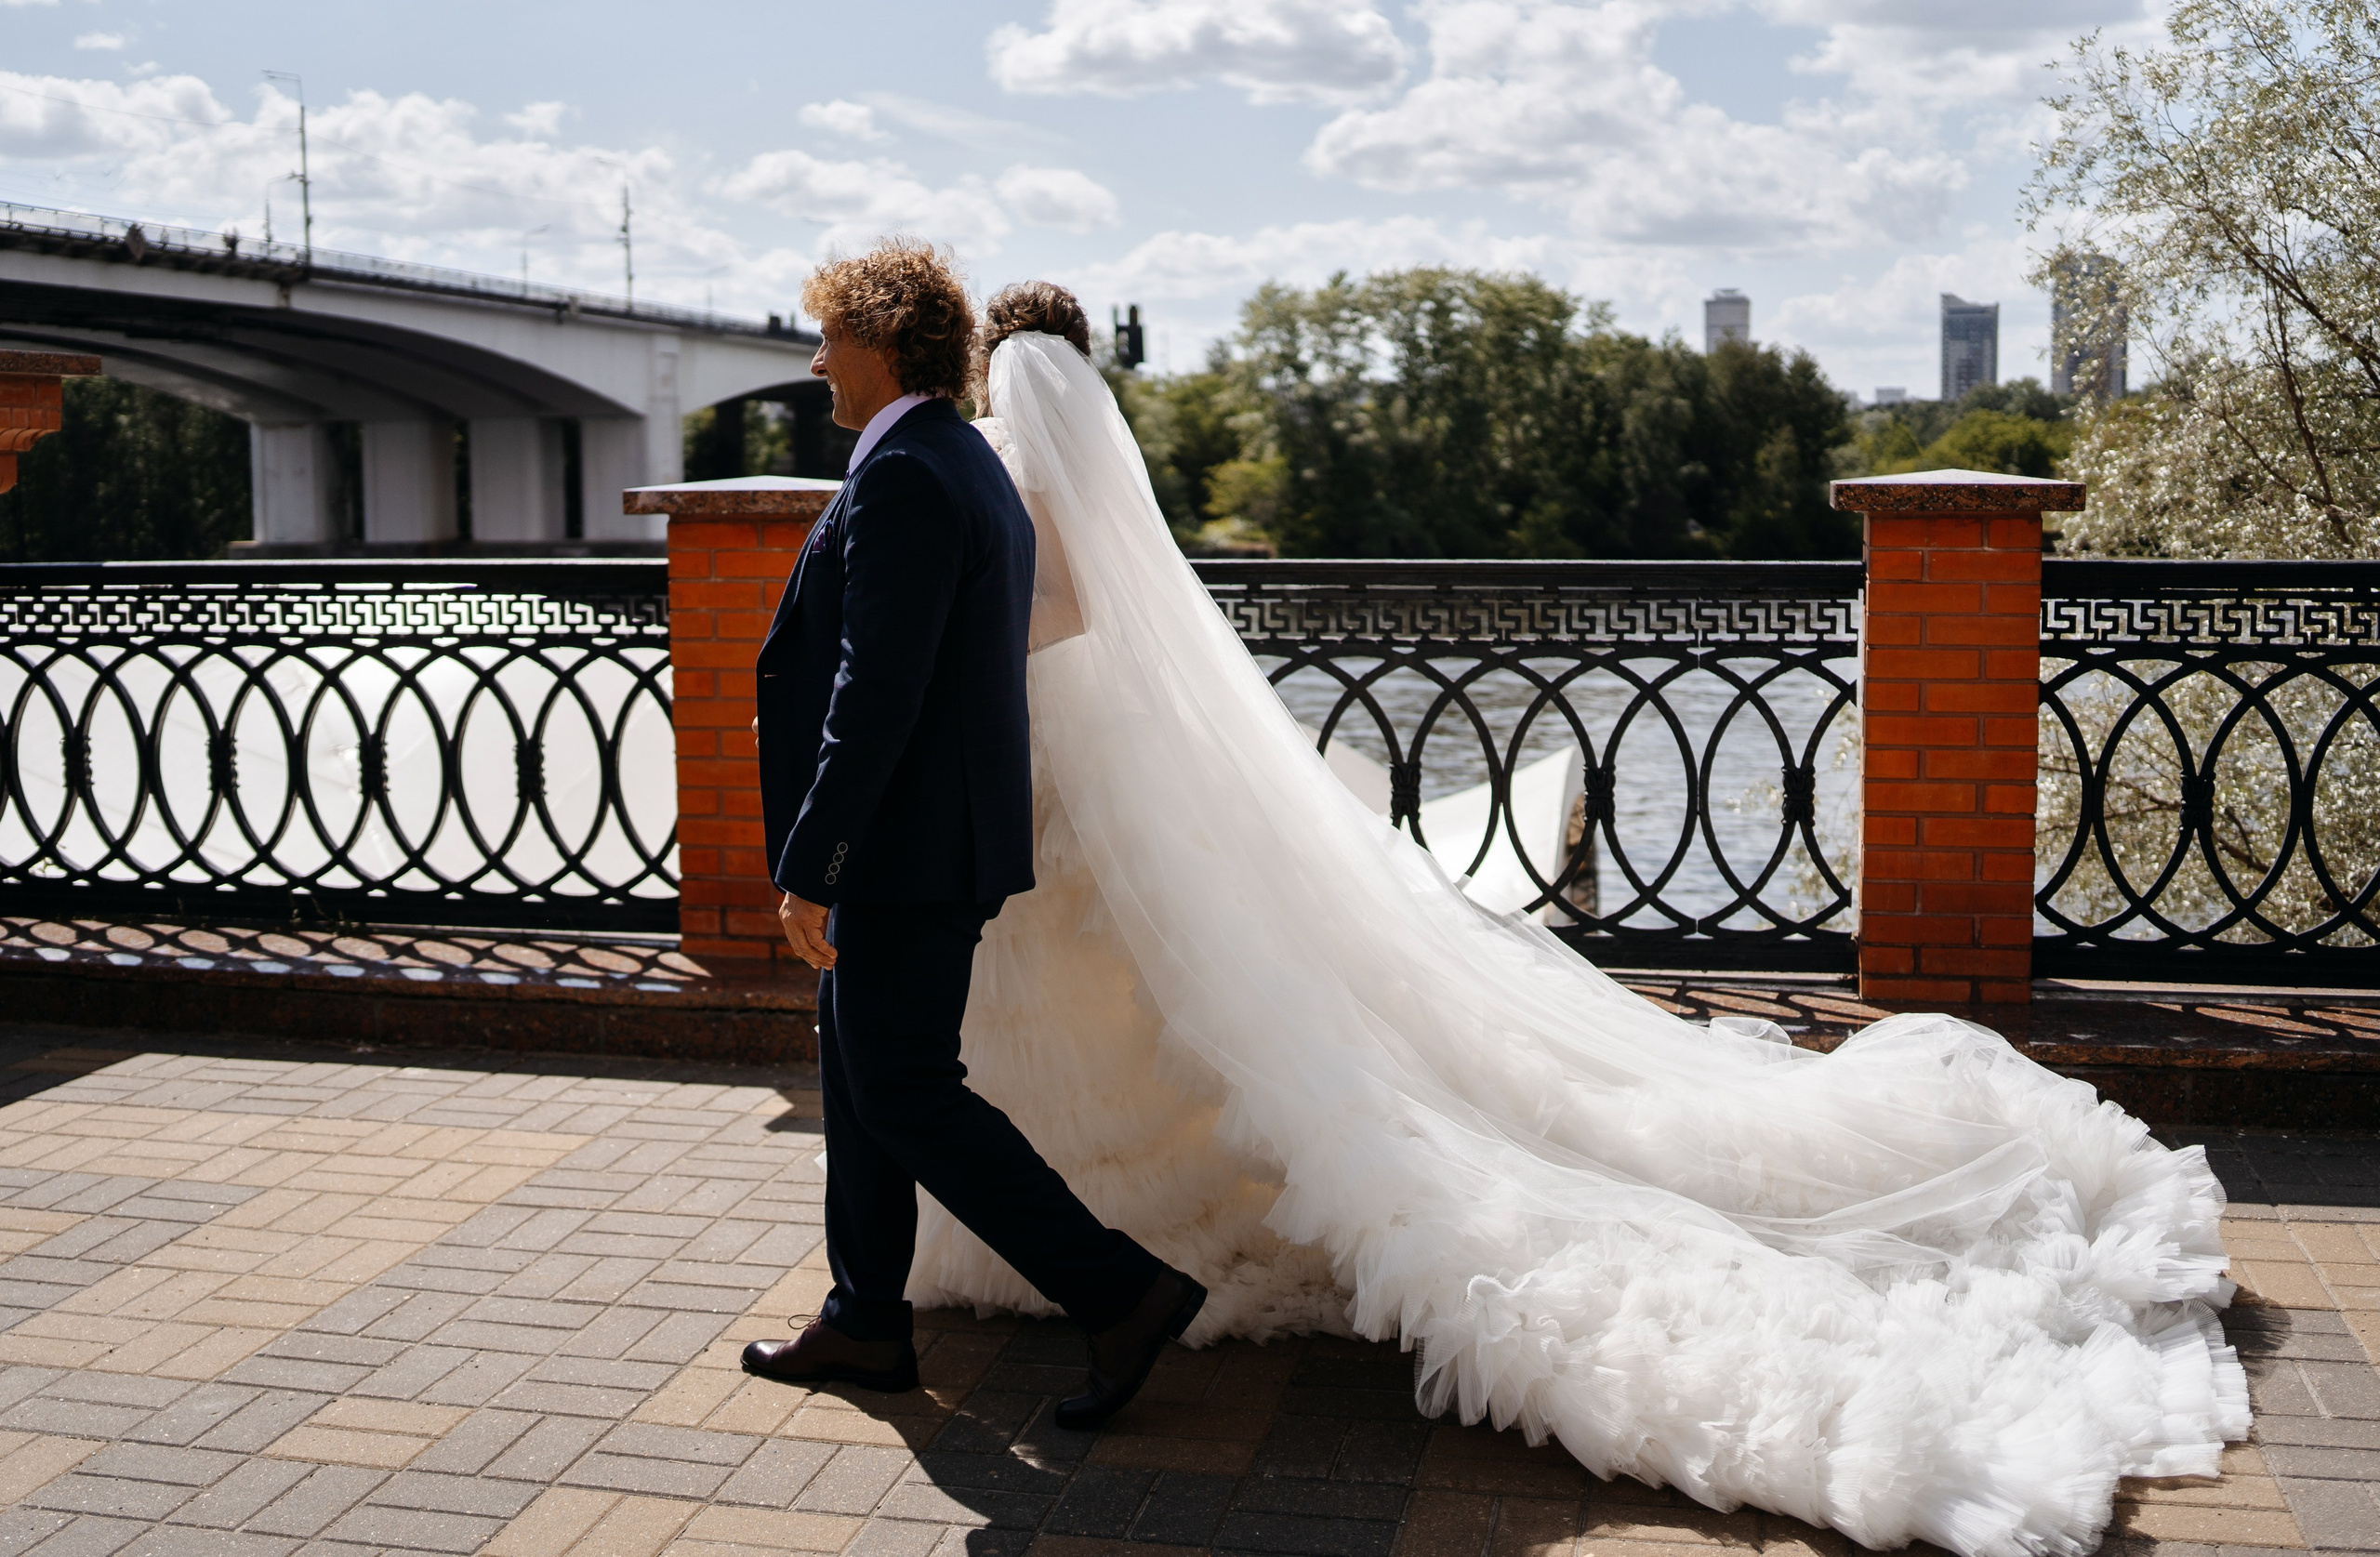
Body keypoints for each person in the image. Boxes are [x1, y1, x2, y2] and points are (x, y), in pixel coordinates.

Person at [893, 279, 2247, 1557]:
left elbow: (1061, 609)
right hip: (1066, 776)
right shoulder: (1053, 456)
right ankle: (1095, 1231)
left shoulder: (1003, 457)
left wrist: (963, 633)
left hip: (1058, 773)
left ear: (1004, 363)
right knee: (1116, 1006)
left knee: (1103, 1003)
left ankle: (1110, 1237)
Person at [743, 240, 1204, 1431]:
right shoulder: (948, 457)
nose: (813, 361)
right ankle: (865, 1322)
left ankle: (1122, 1291)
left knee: (905, 1088)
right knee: (860, 1080)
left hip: (904, 853)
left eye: (827, 338)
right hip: (929, 841)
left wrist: (812, 864)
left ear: (882, 340)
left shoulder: (908, 471)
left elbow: (875, 690)